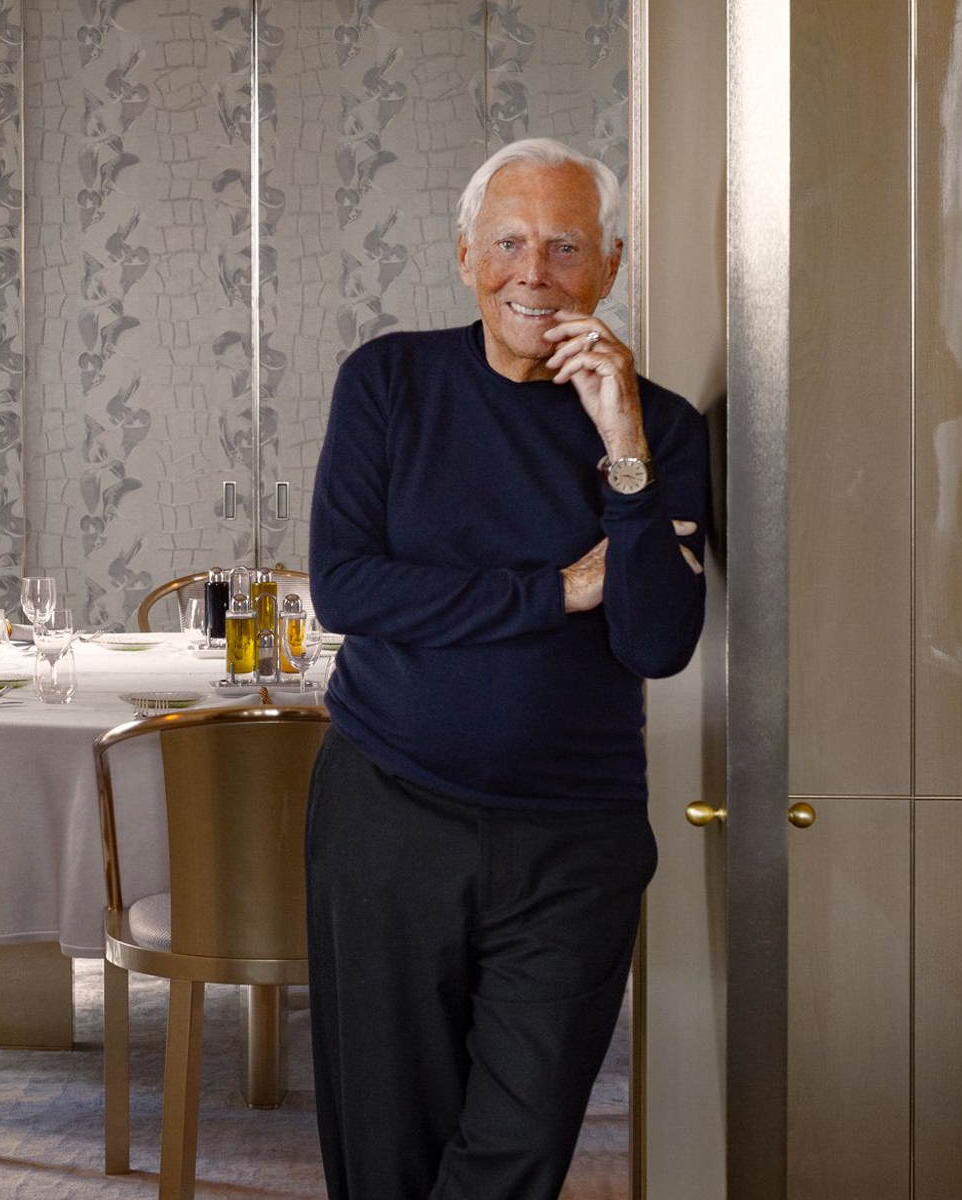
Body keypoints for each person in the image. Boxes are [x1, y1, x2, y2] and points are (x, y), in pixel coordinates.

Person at [305, 137, 710, 1200]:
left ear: (611, 266)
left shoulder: (663, 428)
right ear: (465, 257)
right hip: (388, 813)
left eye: (567, 247)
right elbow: (347, 588)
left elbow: (656, 643)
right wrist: (556, 592)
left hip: (574, 840)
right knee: (386, 1147)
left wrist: (624, 451)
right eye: (509, 243)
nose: (535, 272)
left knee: (519, 1143)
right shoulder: (388, 382)